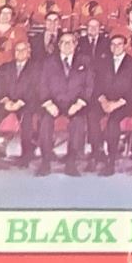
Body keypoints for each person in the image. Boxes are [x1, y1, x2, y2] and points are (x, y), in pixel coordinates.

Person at [33, 30, 92, 176]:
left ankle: (71, 162)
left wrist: (79, 104)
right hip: (53, 102)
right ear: (58, 45)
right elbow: (42, 84)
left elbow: (89, 85)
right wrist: (48, 103)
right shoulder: (48, 62)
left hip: (75, 103)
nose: (67, 45)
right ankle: (45, 162)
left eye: (70, 42)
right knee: (45, 121)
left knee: (78, 122)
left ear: (75, 44)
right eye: (64, 42)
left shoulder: (85, 61)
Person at [89, 33, 132, 174]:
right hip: (105, 100)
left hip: (125, 103)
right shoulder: (102, 62)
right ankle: (97, 153)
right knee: (92, 115)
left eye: (119, 44)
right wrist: (103, 101)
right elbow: (96, 86)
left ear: (125, 46)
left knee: (113, 121)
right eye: (113, 44)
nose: (116, 47)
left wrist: (116, 104)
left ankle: (111, 160)